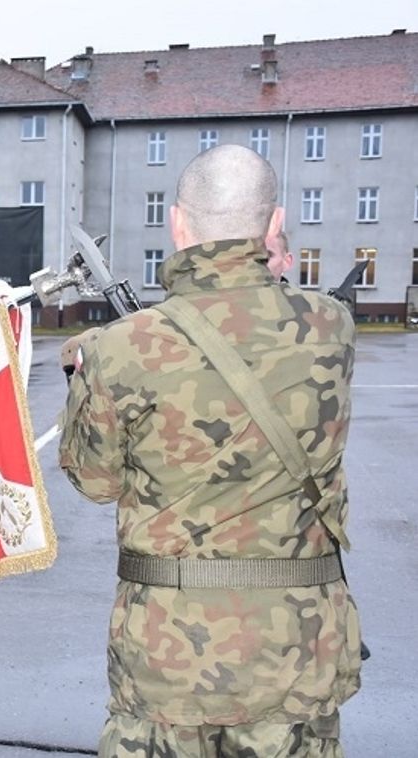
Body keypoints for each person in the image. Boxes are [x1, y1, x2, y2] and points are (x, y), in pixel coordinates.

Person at [59, 144, 361, 757]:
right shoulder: (333, 327)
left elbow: (94, 481)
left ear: (177, 225)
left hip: (169, 658)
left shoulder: (121, 347)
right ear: (276, 225)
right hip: (298, 651)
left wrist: (86, 381)